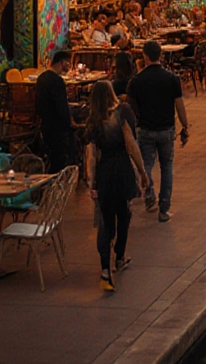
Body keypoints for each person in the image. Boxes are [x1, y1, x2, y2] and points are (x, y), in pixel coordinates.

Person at [83, 82, 147, 292]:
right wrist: (142, 172)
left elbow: (91, 156)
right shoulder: (121, 113)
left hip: (105, 172)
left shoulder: (92, 122)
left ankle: (104, 268)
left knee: (105, 219)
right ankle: (120, 255)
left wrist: (92, 182)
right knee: (124, 213)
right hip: (121, 168)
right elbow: (131, 145)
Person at [127, 41, 189, 222]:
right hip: (167, 129)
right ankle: (164, 208)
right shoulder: (172, 78)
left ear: (145, 56)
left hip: (145, 129)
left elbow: (130, 108)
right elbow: (179, 105)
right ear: (160, 55)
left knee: (146, 165)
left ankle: (149, 195)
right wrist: (185, 126)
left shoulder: (136, 81)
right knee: (167, 167)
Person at [35, 50, 76, 172]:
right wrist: (70, 124)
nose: (69, 66)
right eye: (68, 63)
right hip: (57, 127)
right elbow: (62, 107)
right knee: (59, 160)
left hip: (45, 124)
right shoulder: (57, 81)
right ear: (61, 62)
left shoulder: (41, 78)